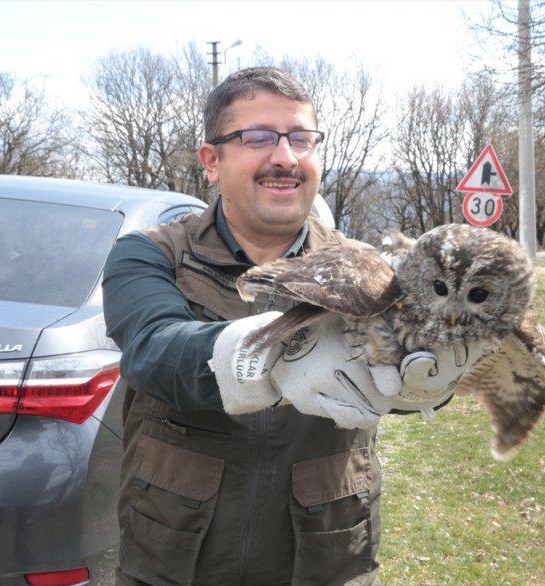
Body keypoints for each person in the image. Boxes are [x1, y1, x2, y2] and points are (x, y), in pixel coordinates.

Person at [102, 67, 457, 586]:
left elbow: (417, 367)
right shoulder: (150, 254)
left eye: (301, 139)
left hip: (324, 557)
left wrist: (428, 380)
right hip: (174, 558)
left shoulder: (373, 271)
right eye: (259, 138)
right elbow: (155, 351)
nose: (285, 157)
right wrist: (285, 354)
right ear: (211, 161)